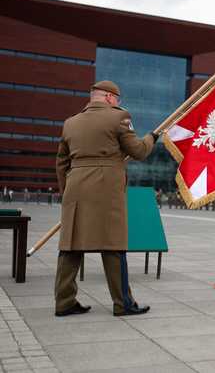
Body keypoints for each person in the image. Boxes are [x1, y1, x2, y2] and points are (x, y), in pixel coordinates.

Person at [54, 80, 158, 317]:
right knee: (113, 246)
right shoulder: (118, 117)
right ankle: (123, 303)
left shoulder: (70, 123)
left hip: (75, 187)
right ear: (111, 98)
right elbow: (139, 151)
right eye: (117, 100)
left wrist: (66, 191)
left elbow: (61, 163)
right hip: (106, 188)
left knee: (70, 246)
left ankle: (64, 301)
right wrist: (152, 137)